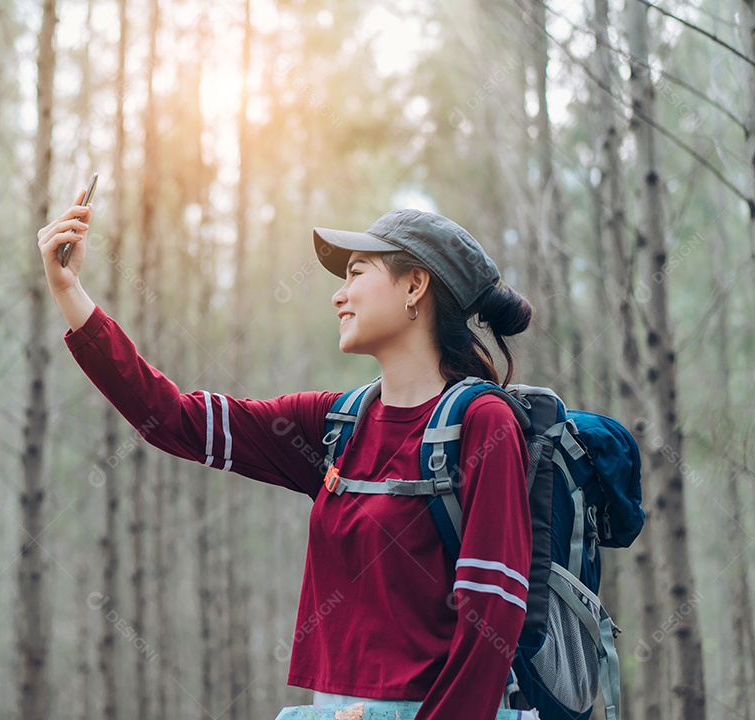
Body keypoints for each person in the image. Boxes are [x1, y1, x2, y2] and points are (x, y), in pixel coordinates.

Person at [38, 189, 534, 720]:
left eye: (357, 273)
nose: (338, 296)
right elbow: (176, 420)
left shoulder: (484, 423)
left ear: (415, 286)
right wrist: (71, 294)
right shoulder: (335, 426)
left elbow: (492, 616)